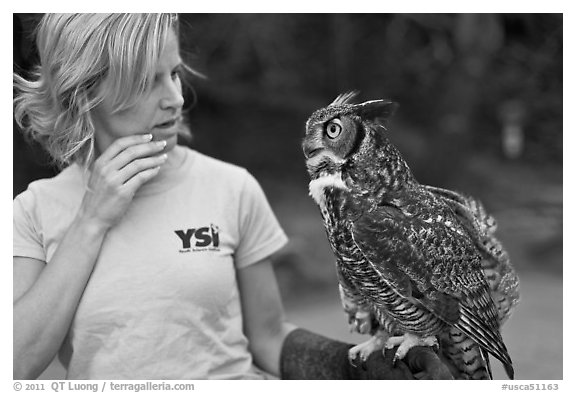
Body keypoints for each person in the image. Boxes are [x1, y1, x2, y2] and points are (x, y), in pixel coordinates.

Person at [13, 13, 452, 380]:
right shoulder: (33, 212)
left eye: (175, 73)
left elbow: (267, 337)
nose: (175, 98)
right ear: (85, 92)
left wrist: (355, 368)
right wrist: (91, 221)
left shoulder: (230, 186)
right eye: (149, 82)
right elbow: (16, 364)